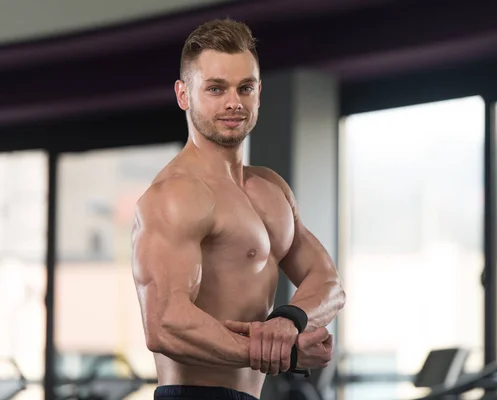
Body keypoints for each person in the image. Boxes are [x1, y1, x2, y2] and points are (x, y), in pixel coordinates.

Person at [131, 18, 346, 400]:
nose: (233, 102)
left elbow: (327, 281)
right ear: (183, 95)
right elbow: (164, 323)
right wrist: (282, 351)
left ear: (259, 93)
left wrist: (288, 320)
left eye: (244, 88)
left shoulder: (270, 189)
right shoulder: (177, 194)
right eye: (215, 89)